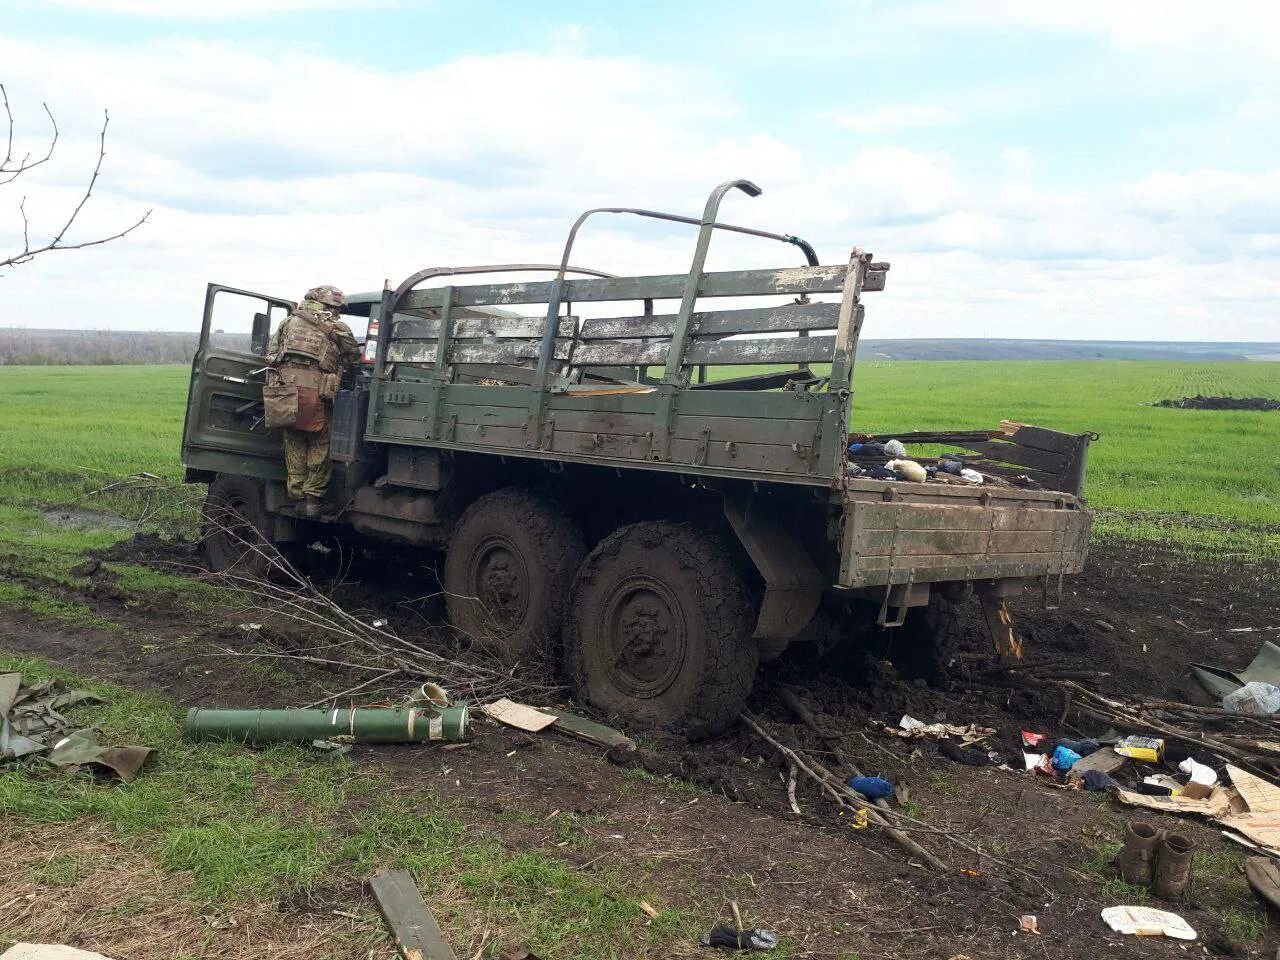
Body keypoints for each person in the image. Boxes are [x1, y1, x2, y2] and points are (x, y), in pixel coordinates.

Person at [267, 285, 360, 517]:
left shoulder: (288, 323)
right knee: (319, 444)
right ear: (332, 307)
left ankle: (296, 497)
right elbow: (354, 360)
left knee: (294, 440)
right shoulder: (337, 327)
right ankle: (311, 501)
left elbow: (270, 355)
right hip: (318, 395)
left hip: (285, 393)